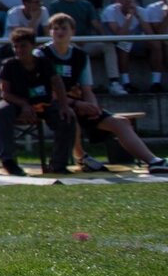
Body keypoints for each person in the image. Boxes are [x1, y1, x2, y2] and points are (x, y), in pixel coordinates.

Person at [39, 13, 168, 174]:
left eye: (64, 28)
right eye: (55, 28)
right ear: (49, 32)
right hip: (51, 104)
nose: (59, 32)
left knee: (121, 122)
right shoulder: (41, 55)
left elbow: (87, 89)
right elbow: (43, 90)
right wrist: (77, 104)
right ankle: (81, 156)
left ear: (73, 31)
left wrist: (93, 107)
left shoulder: (80, 56)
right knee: (70, 115)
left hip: (77, 102)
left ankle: (153, 161)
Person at [0, 27, 74, 177]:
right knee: (1, 111)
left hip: (43, 103)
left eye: (23, 46)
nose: (19, 50)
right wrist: (24, 105)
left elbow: (58, 84)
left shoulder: (44, 63)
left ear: (33, 46)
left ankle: (58, 163)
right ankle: (8, 161)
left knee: (67, 117)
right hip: (16, 104)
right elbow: (5, 93)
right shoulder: (9, 65)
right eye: (15, 46)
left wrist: (64, 106)